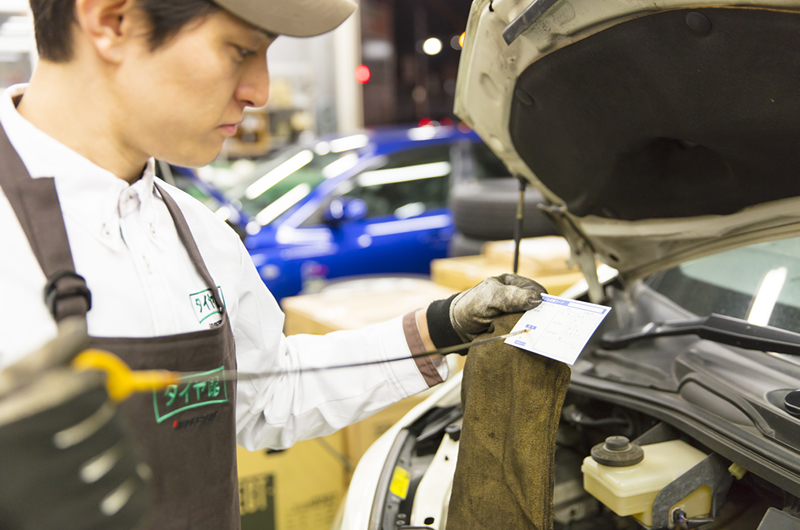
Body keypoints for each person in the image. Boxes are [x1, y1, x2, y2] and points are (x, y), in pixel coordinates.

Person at [0, 0, 546, 528]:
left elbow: (266, 393)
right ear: (111, 20)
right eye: (240, 50)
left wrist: (438, 330)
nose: (259, 91)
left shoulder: (199, 233)